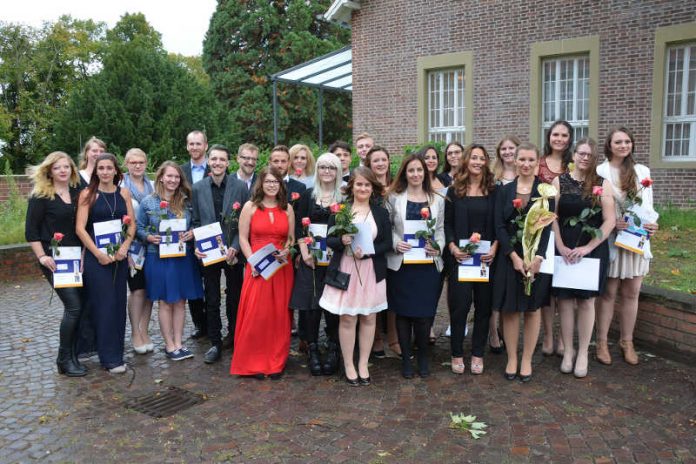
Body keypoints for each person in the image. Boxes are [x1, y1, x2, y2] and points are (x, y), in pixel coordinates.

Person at [320, 167, 392, 386]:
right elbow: (328, 239)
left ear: (373, 188)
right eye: (359, 184)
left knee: (369, 317)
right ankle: (349, 364)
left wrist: (370, 251)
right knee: (348, 317)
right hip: (346, 268)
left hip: (371, 269)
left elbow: (387, 243)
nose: (363, 188)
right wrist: (341, 242)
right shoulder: (340, 210)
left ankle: (363, 363)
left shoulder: (380, 213)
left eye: (367, 185)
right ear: (352, 186)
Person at [551, 138, 615, 378]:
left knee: (587, 302)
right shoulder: (559, 181)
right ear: (574, 155)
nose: (585, 158)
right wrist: (559, 245)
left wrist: (589, 247)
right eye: (581, 153)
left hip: (592, 249)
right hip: (565, 248)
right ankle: (568, 351)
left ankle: (583, 354)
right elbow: (552, 216)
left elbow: (609, 221)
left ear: (594, 157)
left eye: (589, 154)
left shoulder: (602, 184)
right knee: (565, 302)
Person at [595, 127, 659, 366]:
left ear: (632, 144)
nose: (623, 145)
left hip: (637, 241)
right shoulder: (600, 171)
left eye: (627, 141)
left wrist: (653, 225)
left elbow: (649, 208)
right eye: (618, 142)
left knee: (632, 293)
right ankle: (601, 342)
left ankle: (627, 341)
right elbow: (595, 207)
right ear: (609, 145)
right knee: (609, 293)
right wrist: (612, 222)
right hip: (613, 241)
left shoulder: (642, 171)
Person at [493, 143, 553, 382]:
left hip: (536, 260)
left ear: (538, 162)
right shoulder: (504, 192)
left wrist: (537, 257)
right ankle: (512, 358)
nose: (526, 164)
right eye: (522, 160)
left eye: (531, 160)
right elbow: (499, 226)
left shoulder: (546, 192)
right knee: (510, 310)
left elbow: (547, 228)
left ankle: (527, 358)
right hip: (511, 258)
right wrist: (514, 256)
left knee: (532, 309)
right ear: (514, 161)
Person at [26, 152, 87, 376]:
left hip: (76, 257)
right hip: (53, 260)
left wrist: (83, 254)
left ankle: (72, 356)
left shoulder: (77, 192)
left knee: (79, 306)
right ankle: (63, 359)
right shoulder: (41, 196)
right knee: (73, 307)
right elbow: (31, 232)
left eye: (66, 167)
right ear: (49, 171)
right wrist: (42, 257)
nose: (62, 171)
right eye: (57, 167)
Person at [231, 167, 295, 379]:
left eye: (275, 181)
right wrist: (253, 262)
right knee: (257, 314)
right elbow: (242, 238)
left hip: (280, 268)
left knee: (278, 315)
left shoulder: (287, 209)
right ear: (261, 183)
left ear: (280, 184)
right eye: (268, 181)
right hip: (257, 267)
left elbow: (291, 238)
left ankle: (276, 361)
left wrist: (287, 249)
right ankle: (253, 361)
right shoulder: (250, 207)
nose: (271, 185)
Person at [136, 161, 203, 361]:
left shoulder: (185, 201)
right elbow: (139, 228)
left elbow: (193, 225)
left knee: (181, 301)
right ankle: (169, 344)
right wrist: (148, 237)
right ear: (161, 178)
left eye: (176, 177)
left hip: (182, 257)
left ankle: (180, 343)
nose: (173, 180)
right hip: (157, 257)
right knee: (165, 301)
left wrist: (192, 234)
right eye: (169, 176)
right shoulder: (148, 202)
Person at [386, 155, 445, 378]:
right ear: (404, 173)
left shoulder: (436, 199)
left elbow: (439, 229)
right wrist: (394, 242)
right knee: (403, 314)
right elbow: (388, 226)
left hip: (427, 264)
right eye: (411, 170)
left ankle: (422, 357)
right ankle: (407, 360)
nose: (416, 174)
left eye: (419, 170)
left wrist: (437, 246)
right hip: (402, 264)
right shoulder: (394, 198)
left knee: (423, 314)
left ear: (425, 172)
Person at [75, 154, 136, 373]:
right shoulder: (88, 194)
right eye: (101, 168)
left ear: (116, 171)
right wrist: (98, 254)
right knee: (104, 305)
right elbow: (80, 228)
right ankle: (109, 358)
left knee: (119, 304)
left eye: (109, 168)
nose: (105, 172)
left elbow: (131, 225)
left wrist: (125, 247)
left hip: (118, 258)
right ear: (96, 171)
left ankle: (115, 353)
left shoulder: (124, 193)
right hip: (97, 259)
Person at [191, 145, 249, 364]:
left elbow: (245, 222)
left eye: (221, 159)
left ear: (228, 162)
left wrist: (236, 246)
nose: (217, 163)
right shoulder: (198, 188)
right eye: (213, 159)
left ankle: (233, 337)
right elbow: (196, 221)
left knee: (234, 296)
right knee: (212, 297)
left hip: (233, 252)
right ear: (209, 161)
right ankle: (215, 342)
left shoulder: (240, 187)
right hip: (209, 252)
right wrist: (197, 243)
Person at [445, 144, 498, 375]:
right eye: (473, 157)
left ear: (486, 162)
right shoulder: (454, 190)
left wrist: (495, 248)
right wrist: (453, 247)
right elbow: (446, 223)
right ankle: (456, 353)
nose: (477, 162)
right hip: (461, 259)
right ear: (466, 160)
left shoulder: (495, 190)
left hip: (486, 259)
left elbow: (499, 224)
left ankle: (477, 353)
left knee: (484, 309)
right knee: (460, 307)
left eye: (481, 158)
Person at [290, 153, 344, 376]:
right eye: (322, 167)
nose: (327, 171)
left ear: (338, 170)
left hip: (335, 260)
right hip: (310, 259)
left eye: (331, 167)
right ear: (318, 170)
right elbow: (298, 227)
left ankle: (333, 349)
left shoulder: (344, 197)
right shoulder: (307, 195)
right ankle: (312, 349)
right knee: (311, 307)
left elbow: (348, 228)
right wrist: (304, 252)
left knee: (333, 307)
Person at [538, 121, 573, 357]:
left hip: (567, 230)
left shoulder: (574, 164)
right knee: (547, 288)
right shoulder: (539, 163)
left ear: (570, 139)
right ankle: (549, 336)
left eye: (564, 135)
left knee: (566, 286)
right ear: (549, 137)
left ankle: (564, 337)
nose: (559, 138)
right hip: (542, 230)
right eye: (555, 134)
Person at [363, 145, 396, 357]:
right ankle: (375, 338)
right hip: (374, 250)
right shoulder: (366, 188)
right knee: (373, 296)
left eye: (383, 159)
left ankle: (393, 338)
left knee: (393, 295)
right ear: (369, 164)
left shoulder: (397, 187)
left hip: (398, 249)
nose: (380, 164)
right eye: (376, 160)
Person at [121, 148, 155, 355]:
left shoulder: (152, 185)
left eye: (141, 162)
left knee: (150, 292)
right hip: (131, 248)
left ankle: (145, 330)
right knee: (137, 290)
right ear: (126, 164)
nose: (137, 165)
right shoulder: (120, 185)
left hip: (151, 247)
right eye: (133, 162)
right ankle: (135, 332)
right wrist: (122, 249)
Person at [489, 135, 520, 353]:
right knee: (492, 286)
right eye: (504, 148)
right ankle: (493, 331)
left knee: (508, 287)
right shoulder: (493, 177)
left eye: (512, 148)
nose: (508, 152)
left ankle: (506, 329)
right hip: (494, 233)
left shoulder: (525, 175)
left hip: (515, 239)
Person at [179, 130, 209, 339]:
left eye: (199, 143)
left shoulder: (216, 167)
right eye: (192, 144)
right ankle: (200, 324)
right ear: (187, 146)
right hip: (187, 235)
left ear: (206, 146)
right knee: (192, 281)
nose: (195, 147)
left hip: (209, 232)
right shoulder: (180, 172)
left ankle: (215, 322)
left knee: (212, 281)